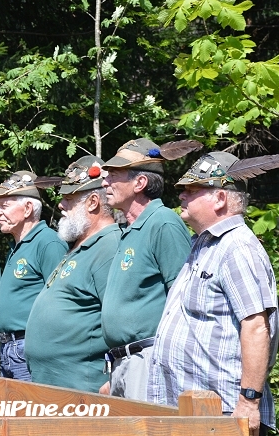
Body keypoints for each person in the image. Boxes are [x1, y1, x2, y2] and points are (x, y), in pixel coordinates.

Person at [148, 151, 279, 436]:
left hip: (224, 412)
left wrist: (249, 401)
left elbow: (256, 328)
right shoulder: (204, 244)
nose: (181, 196)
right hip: (195, 410)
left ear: (220, 198)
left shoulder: (237, 247)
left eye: (191, 190)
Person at [98, 138, 199, 400]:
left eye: (114, 175)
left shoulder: (163, 222)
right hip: (123, 363)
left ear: (140, 183)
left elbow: (183, 300)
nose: (104, 182)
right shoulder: (131, 228)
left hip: (149, 360)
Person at [25, 156, 120, 391]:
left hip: (83, 389)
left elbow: (119, 321)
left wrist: (114, 377)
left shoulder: (110, 246)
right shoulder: (80, 245)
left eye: (69, 199)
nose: (60, 205)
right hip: (55, 388)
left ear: (93, 202)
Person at [0, 171, 68, 381]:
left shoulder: (48, 243)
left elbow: (61, 301)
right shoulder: (17, 246)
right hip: (9, 348)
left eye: (4, 206)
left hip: (31, 347)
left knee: (30, 412)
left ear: (27, 209)